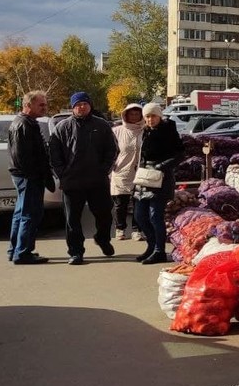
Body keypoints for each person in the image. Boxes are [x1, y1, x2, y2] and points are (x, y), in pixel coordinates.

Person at [49, 92, 119, 265]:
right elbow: (54, 154)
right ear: (73, 107)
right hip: (72, 182)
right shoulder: (62, 127)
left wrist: (104, 170)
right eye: (78, 104)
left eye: (85, 104)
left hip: (98, 181)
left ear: (90, 105)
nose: (81, 107)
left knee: (104, 215)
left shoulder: (101, 125)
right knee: (72, 219)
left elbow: (112, 150)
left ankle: (102, 238)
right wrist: (62, 173)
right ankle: (76, 252)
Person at [7, 90, 54, 265]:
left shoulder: (27, 123)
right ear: (28, 105)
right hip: (28, 177)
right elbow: (23, 156)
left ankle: (16, 250)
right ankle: (23, 252)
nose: (45, 107)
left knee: (21, 213)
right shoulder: (23, 124)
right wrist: (37, 175)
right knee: (29, 214)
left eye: (45, 104)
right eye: (41, 104)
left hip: (26, 176)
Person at [134, 102, 184, 265]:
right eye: (147, 116)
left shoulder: (169, 131)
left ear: (159, 116)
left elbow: (179, 154)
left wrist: (161, 166)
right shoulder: (145, 131)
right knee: (140, 216)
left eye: (153, 116)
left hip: (161, 177)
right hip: (144, 177)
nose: (150, 119)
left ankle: (159, 251)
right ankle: (151, 246)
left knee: (155, 216)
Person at [110, 104, 144, 241]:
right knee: (120, 204)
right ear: (126, 115)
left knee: (138, 202)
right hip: (121, 172)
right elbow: (109, 151)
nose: (134, 117)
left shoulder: (145, 131)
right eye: (131, 114)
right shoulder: (117, 131)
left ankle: (136, 229)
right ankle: (120, 228)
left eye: (137, 114)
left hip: (141, 172)